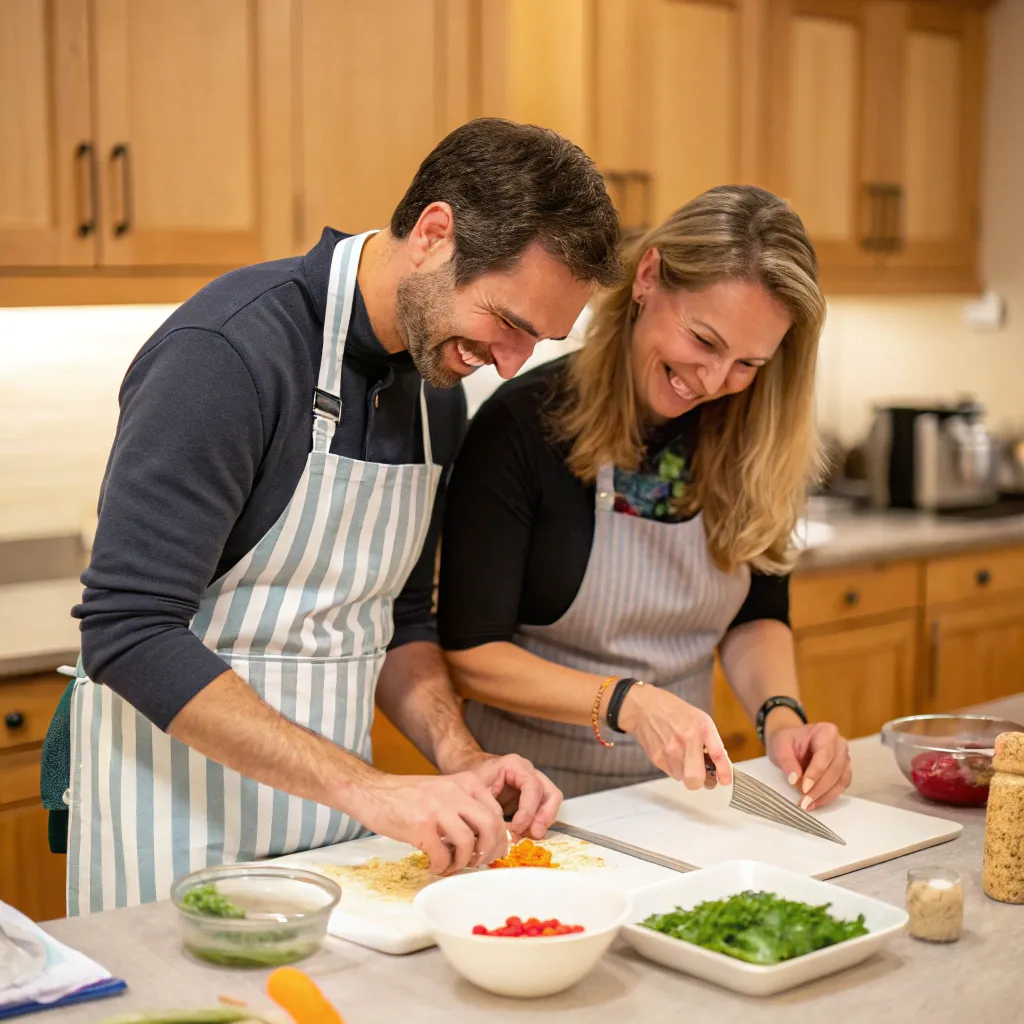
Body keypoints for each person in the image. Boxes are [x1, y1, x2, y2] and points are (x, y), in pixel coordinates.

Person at [44, 118, 622, 915]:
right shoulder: (229, 353)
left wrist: (460, 756)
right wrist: (369, 788)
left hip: (332, 839)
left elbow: (400, 618)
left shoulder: (434, 384)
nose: (511, 362)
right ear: (434, 233)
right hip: (172, 831)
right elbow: (128, 629)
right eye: (510, 323)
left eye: (541, 339)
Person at [439, 184, 853, 807]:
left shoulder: (754, 436)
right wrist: (626, 702)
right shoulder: (523, 426)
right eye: (704, 341)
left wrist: (783, 718)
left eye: (748, 364)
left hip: (686, 802)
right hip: (531, 803)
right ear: (650, 277)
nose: (713, 382)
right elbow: (472, 654)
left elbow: (754, 613)